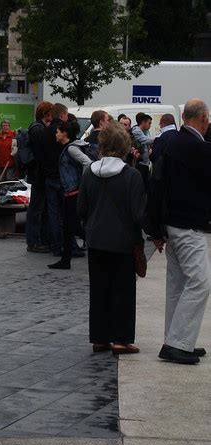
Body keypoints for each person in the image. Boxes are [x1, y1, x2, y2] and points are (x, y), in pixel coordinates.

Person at [78, 121, 154, 355]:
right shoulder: (132, 175)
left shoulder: (89, 172)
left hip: (97, 240)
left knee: (99, 290)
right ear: (125, 146)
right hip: (123, 241)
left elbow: (82, 209)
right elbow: (139, 213)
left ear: (102, 144)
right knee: (123, 291)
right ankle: (121, 339)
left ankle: (100, 338)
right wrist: (155, 235)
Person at [148, 98, 211, 365]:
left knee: (178, 284)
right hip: (189, 224)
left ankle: (174, 338)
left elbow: (156, 185)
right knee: (200, 282)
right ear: (204, 118)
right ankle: (178, 343)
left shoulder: (169, 142)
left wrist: (155, 229)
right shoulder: (198, 147)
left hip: (171, 223)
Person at [48, 120, 92, 270]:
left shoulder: (72, 149)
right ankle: (66, 259)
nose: (56, 134)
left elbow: (87, 163)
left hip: (74, 192)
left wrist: (83, 185)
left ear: (64, 133)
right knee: (71, 226)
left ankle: (66, 260)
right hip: (72, 191)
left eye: (58, 131)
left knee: (69, 225)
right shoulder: (72, 146)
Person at [41, 103, 69, 256]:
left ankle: (55, 245)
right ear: (63, 115)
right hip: (62, 177)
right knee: (65, 213)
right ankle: (66, 244)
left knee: (52, 212)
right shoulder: (64, 131)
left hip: (49, 176)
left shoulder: (45, 131)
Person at [26, 101, 53, 253]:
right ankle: (33, 241)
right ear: (45, 114)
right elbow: (40, 154)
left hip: (38, 174)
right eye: (51, 112)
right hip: (39, 175)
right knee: (36, 208)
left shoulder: (39, 128)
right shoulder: (38, 130)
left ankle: (38, 240)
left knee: (39, 208)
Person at [131, 113, 154, 192]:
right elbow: (146, 140)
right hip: (139, 163)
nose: (150, 125)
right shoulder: (137, 130)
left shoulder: (146, 131)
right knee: (141, 186)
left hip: (145, 162)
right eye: (149, 123)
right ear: (143, 122)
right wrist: (159, 138)